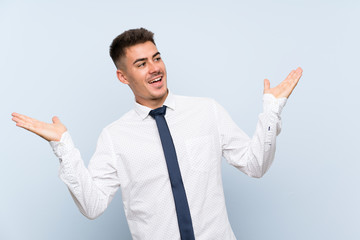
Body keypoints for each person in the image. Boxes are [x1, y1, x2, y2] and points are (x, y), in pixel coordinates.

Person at [11, 28, 303, 239]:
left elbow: (256, 165)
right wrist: (63, 147)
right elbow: (92, 205)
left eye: (156, 58)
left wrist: (272, 110)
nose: (155, 69)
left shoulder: (207, 111)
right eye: (141, 64)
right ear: (122, 76)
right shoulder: (115, 137)